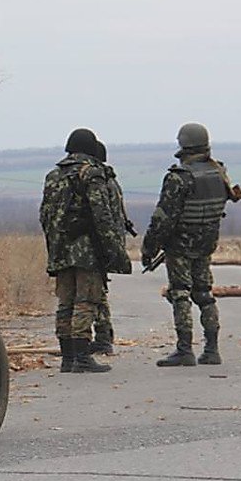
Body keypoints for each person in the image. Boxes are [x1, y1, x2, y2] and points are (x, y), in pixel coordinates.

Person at [140, 123, 241, 367]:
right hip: (206, 243)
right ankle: (212, 349)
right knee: (205, 294)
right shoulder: (219, 172)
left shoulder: (179, 177)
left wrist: (149, 249)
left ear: (183, 145)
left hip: (180, 245)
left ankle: (184, 349)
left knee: (180, 293)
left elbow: (162, 219)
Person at [39, 129, 131, 373]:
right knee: (86, 301)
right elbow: (103, 216)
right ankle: (81, 356)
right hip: (88, 251)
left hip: (60, 249)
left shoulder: (53, 176)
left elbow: (45, 215)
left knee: (65, 302)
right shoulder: (92, 174)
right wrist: (114, 251)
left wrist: (55, 245)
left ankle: (67, 358)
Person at [90, 141, 137, 356]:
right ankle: (103, 336)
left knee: (97, 292)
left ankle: (102, 338)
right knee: (100, 291)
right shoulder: (110, 181)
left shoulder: (101, 182)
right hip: (110, 242)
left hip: (102, 243)